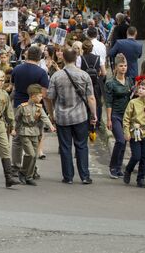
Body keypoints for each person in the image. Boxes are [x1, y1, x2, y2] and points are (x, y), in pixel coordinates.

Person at [47, 47, 96, 185]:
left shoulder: (56, 76)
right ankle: (85, 176)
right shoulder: (84, 75)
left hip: (62, 117)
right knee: (81, 145)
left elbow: (50, 97)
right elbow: (90, 97)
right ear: (75, 59)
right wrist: (94, 114)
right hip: (80, 115)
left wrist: (52, 115)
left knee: (65, 146)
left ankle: (68, 176)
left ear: (63, 58)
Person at [14, 84, 55, 186]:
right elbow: (17, 119)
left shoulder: (39, 108)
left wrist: (51, 126)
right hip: (25, 132)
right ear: (33, 96)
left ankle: (29, 176)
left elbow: (45, 117)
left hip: (35, 132)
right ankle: (23, 172)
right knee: (30, 154)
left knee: (34, 156)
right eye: (39, 96)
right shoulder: (22, 107)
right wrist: (14, 129)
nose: (41, 98)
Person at [105, 54, 133, 179]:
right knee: (120, 140)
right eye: (121, 66)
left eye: (125, 66)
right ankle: (112, 167)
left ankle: (119, 167)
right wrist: (109, 119)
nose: (123, 68)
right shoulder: (111, 83)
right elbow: (108, 102)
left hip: (127, 116)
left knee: (125, 141)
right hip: (116, 115)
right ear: (116, 67)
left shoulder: (129, 81)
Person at [122, 79, 145, 188]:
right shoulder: (133, 102)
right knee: (136, 156)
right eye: (140, 87)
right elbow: (126, 118)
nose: (140, 89)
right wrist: (126, 132)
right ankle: (128, 170)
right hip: (135, 133)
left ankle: (141, 179)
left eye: (144, 88)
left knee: (144, 157)